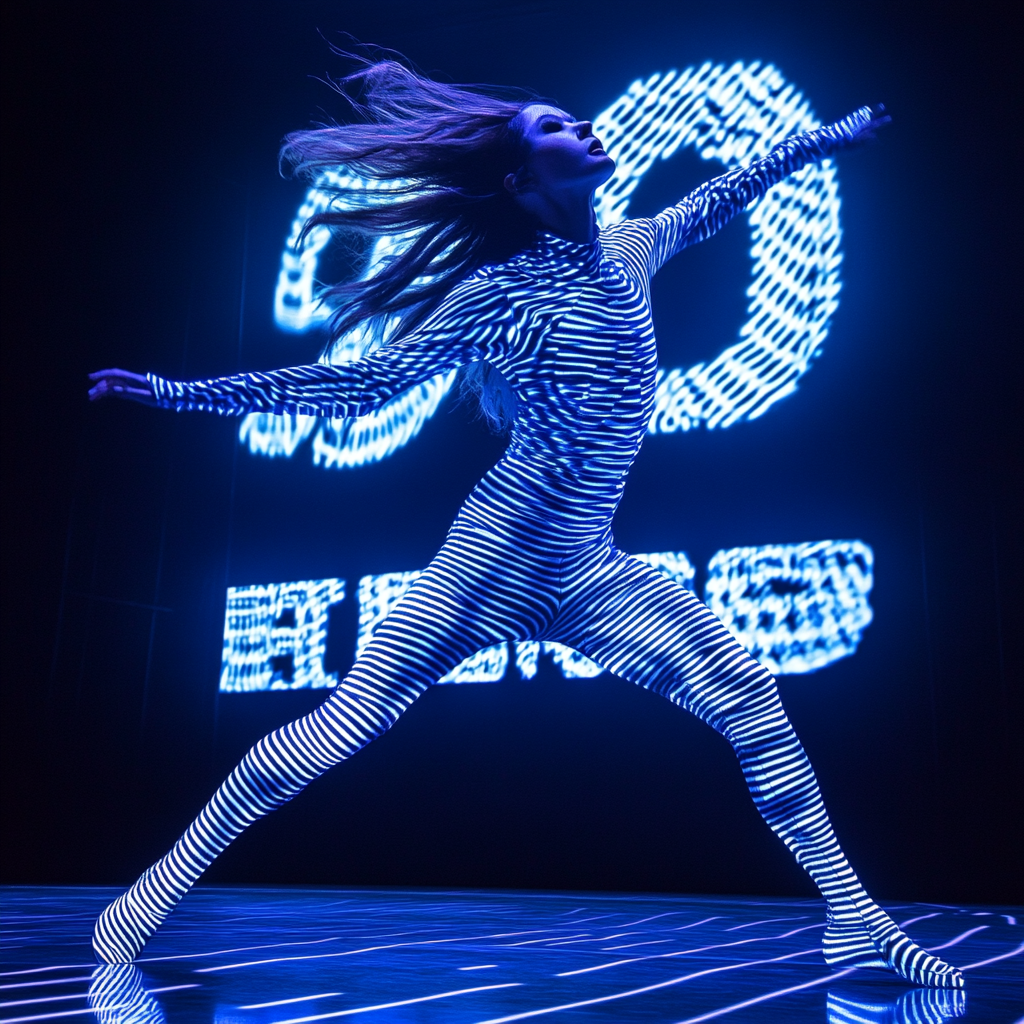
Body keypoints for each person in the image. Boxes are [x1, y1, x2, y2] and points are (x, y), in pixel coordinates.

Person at [88, 57, 962, 989]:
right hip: (488, 563)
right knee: (341, 725)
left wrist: (824, 140)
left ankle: (854, 919)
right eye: (556, 129)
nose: (584, 131)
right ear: (519, 179)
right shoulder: (501, 294)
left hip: (589, 567)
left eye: (580, 121)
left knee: (750, 695)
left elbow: (723, 193)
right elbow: (360, 389)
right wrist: (181, 394)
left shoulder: (630, 249)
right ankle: (145, 897)